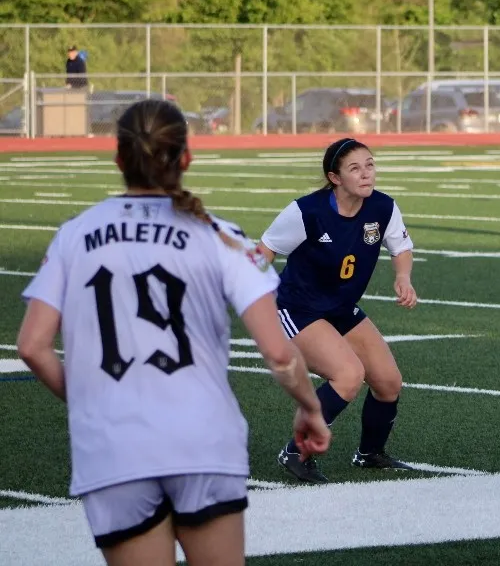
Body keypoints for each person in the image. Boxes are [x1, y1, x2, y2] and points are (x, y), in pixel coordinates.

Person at [16, 100, 330, 566]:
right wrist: (309, 407)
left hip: (114, 448)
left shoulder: (74, 235)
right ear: (186, 157)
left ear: (119, 159)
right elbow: (280, 355)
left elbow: (32, 345)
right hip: (203, 440)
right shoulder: (219, 235)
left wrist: (89, 398)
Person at [256, 137, 418, 483]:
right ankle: (295, 451)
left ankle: (370, 453)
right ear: (335, 177)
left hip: (341, 307)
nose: (366, 174)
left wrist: (403, 278)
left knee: (388, 382)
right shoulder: (306, 212)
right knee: (347, 375)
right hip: (298, 308)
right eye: (355, 168)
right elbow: (265, 250)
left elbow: (401, 247)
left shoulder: (383, 208)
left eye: (370, 165)